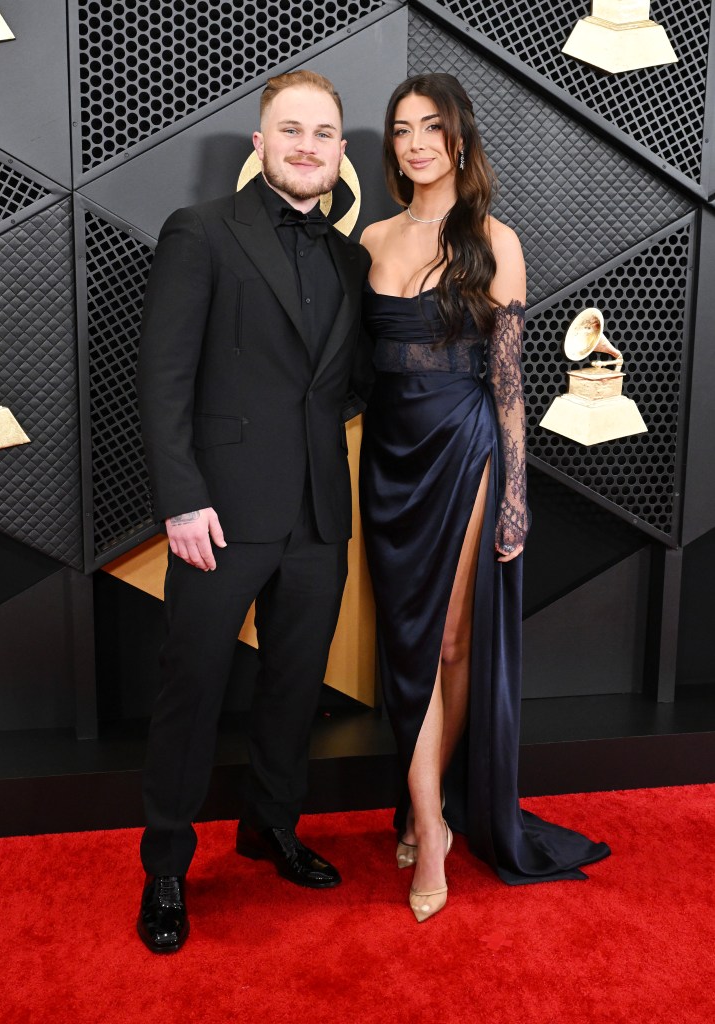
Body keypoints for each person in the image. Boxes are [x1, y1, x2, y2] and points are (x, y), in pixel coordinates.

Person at [359, 73, 610, 923]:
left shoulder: (494, 240)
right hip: (387, 461)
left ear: (460, 138)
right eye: (400, 130)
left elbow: (508, 385)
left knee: (451, 642)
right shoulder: (370, 237)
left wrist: (515, 492)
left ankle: (428, 824)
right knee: (406, 644)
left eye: (431, 127)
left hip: (464, 451)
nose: (416, 142)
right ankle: (418, 800)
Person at [136, 70, 371, 952]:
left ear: (340, 153)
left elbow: (344, 388)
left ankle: (271, 827)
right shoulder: (200, 232)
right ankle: (165, 865)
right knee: (190, 689)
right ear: (259, 144)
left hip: (318, 512)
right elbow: (162, 380)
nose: (307, 145)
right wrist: (182, 499)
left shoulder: (353, 259)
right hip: (218, 515)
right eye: (291, 130)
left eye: (323, 134)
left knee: (293, 688)